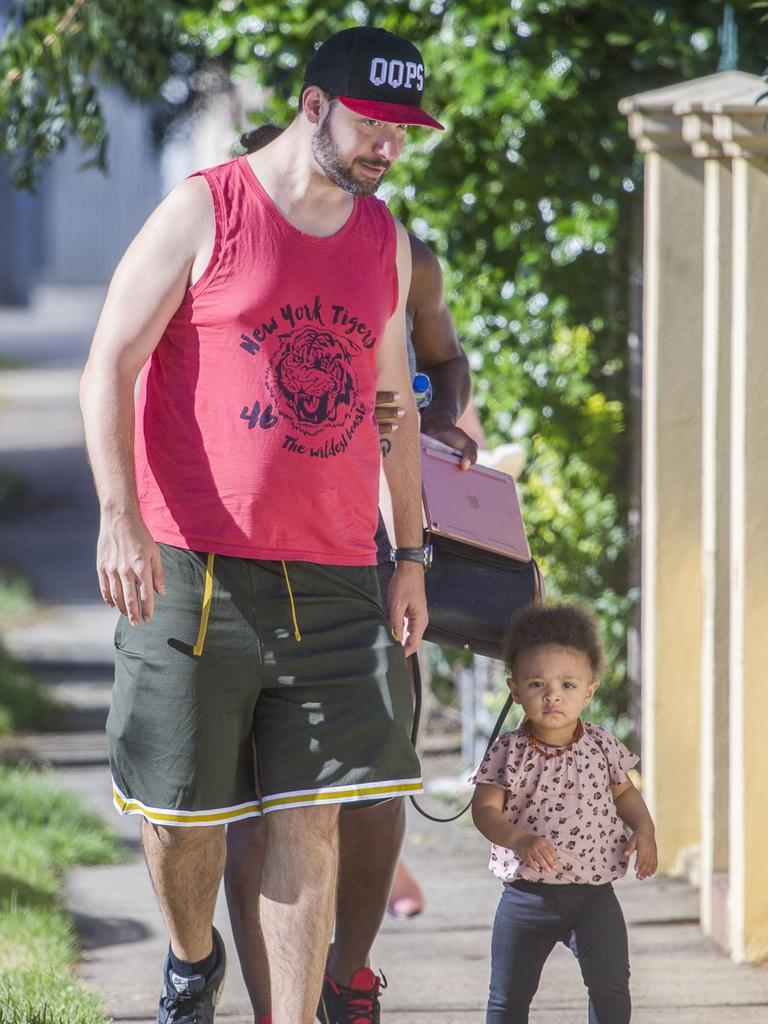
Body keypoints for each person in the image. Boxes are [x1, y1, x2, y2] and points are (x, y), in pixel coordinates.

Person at [79, 25, 445, 1024]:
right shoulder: (204, 208)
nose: (390, 149)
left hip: (332, 574)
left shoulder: (384, 243)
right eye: (377, 125)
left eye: (405, 133)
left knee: (308, 823)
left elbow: (393, 410)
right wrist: (119, 518)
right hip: (189, 570)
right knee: (181, 824)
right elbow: (108, 362)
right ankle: (193, 959)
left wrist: (409, 553)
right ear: (317, 106)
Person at [227, 115, 478, 1024]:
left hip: (370, 543)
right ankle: (269, 1005)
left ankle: (351, 973)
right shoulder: (222, 238)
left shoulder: (403, 253)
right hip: (244, 548)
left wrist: (443, 430)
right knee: (263, 797)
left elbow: (445, 362)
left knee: (374, 785)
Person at [471, 604, 657, 1024]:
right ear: (515, 689)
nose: (553, 695)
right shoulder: (508, 751)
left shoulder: (602, 745)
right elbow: (483, 810)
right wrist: (518, 839)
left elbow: (625, 792)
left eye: (567, 683)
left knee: (610, 990)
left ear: (588, 691)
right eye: (537, 683)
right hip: (524, 896)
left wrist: (644, 828)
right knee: (507, 999)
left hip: (594, 896)